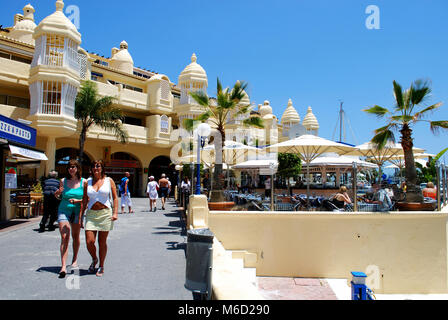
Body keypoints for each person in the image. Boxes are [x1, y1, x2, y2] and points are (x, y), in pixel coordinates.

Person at [82, 160, 119, 277]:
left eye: (98, 166)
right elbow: (84, 199)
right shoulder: (87, 182)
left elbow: (115, 197)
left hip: (105, 213)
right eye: (93, 166)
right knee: (89, 241)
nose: (95, 168)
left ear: (102, 168)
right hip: (91, 214)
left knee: (102, 242)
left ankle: (101, 265)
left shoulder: (109, 180)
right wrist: (80, 216)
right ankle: (94, 259)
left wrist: (115, 213)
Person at [53, 160, 87, 279]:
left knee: (75, 236)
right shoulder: (63, 181)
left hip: (77, 211)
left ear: (77, 168)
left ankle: (74, 260)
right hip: (64, 210)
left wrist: (77, 201)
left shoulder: (84, 182)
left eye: (73, 167)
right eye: (69, 167)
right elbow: (58, 196)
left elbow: (86, 199)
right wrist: (57, 193)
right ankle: (63, 266)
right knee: (64, 236)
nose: (71, 169)